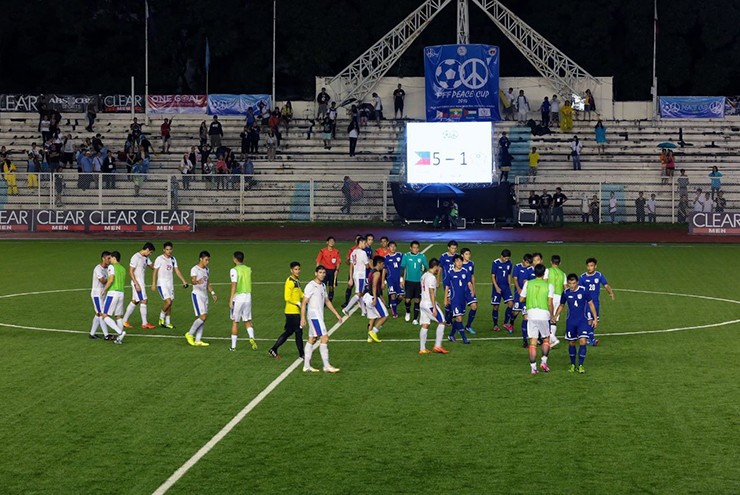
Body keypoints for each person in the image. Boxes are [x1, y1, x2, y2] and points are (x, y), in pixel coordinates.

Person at [301, 265, 343, 373]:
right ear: (316, 273)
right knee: (325, 338)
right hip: (314, 316)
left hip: (319, 316)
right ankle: (326, 365)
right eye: (320, 272)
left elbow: (327, 301)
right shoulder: (311, 286)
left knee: (312, 339)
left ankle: (306, 366)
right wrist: (302, 318)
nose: (322, 274)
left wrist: (336, 314)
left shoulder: (323, 285)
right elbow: (304, 302)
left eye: (324, 273)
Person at [553, 274, 598, 374]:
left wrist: (595, 319)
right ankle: (573, 364)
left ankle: (581, 365)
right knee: (572, 342)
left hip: (583, 321)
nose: (572, 285)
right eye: (569, 283)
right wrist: (556, 315)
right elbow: (561, 305)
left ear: (577, 282)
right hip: (571, 322)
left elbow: (591, 303)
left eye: (573, 283)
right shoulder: (565, 292)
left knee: (582, 341)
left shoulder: (584, 290)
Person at [520, 264, 554, 374]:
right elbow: (549, 303)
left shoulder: (528, 284)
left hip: (531, 314)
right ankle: (543, 361)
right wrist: (552, 315)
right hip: (543, 315)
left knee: (533, 342)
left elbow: (521, 299)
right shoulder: (549, 286)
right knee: (545, 339)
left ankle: (533, 368)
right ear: (544, 273)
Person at [269, 262, 305, 359]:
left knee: (289, 332)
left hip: (295, 311)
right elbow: (287, 297)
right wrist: (297, 303)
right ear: (291, 270)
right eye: (296, 269)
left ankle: (273, 349)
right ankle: (302, 354)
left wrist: (306, 297)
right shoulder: (290, 281)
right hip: (292, 312)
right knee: (298, 332)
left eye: (299, 269)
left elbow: (299, 293)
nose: (298, 271)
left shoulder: (296, 280)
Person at [151, 242, 189, 329]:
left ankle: (168, 322)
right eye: (167, 249)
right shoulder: (159, 259)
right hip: (162, 283)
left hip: (170, 284)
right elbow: (155, 271)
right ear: (164, 250)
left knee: (170, 303)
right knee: (168, 302)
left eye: (170, 249)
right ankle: (161, 318)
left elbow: (177, 271)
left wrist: (184, 281)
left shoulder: (173, 259)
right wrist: (153, 283)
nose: (169, 251)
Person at [579, 257, 615, 346]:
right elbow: (579, 289)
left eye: (591, 266)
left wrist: (611, 293)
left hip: (596, 303)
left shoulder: (599, 275)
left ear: (595, 266)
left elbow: (606, 285)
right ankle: (591, 339)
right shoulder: (582, 277)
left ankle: (588, 337)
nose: (589, 268)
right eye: (588, 266)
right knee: (589, 320)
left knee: (595, 321)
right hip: (586, 303)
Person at [186, 251, 217, 347]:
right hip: (197, 295)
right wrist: (196, 282)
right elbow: (193, 281)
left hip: (205, 296)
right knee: (203, 316)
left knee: (203, 318)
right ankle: (190, 334)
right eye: (206, 260)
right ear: (201, 259)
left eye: (208, 260)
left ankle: (198, 340)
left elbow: (208, 283)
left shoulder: (207, 270)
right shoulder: (194, 269)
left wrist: (212, 293)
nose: (207, 262)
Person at [122, 242, 156, 330]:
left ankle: (124, 321)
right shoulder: (135, 257)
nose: (150, 254)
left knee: (135, 301)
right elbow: (131, 271)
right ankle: (144, 323)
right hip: (137, 283)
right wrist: (136, 283)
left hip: (141, 283)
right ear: (147, 249)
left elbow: (153, 267)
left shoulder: (145, 258)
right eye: (150, 252)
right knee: (144, 300)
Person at [418, 259, 448, 354]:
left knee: (425, 324)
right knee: (442, 321)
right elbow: (431, 291)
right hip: (429, 304)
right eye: (438, 267)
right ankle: (438, 346)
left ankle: (422, 348)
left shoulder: (424, 276)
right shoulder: (431, 277)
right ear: (435, 267)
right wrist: (434, 306)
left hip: (423, 303)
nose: (438, 269)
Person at [228, 251, 257, 351]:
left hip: (239, 297)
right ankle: (252, 337)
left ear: (235, 259)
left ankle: (233, 346)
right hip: (248, 296)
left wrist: (231, 298)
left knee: (235, 321)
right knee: (247, 320)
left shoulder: (234, 270)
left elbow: (234, 285)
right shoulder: (248, 269)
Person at [100, 251, 128, 344]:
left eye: (110, 258)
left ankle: (120, 332)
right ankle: (120, 338)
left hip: (113, 293)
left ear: (114, 258)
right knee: (118, 316)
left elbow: (111, 279)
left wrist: (104, 290)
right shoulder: (123, 269)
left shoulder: (111, 267)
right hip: (121, 293)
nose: (109, 260)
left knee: (104, 315)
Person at [401, 240, 428, 325]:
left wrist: (424, 275)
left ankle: (415, 318)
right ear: (410, 248)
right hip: (409, 281)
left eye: (417, 248)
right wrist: (401, 280)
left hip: (418, 282)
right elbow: (402, 268)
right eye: (414, 248)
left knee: (417, 300)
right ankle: (408, 311)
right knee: (408, 299)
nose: (415, 249)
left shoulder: (422, 256)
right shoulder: (406, 256)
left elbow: (427, 268)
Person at [445, 255, 470, 344]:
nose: (459, 263)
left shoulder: (465, 272)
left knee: (458, 318)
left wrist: (471, 293)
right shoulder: (450, 272)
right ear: (454, 263)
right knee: (459, 318)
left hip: (463, 299)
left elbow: (469, 283)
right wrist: (446, 298)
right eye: (457, 261)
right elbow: (447, 286)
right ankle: (464, 338)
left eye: (460, 261)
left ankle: (451, 335)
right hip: (454, 299)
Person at [363, 256, 388, 344]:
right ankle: (373, 332)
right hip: (372, 297)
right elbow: (374, 286)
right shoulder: (377, 273)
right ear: (379, 263)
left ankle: (369, 338)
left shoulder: (371, 271)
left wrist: (381, 298)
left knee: (372, 318)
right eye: (382, 264)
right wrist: (375, 298)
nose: (383, 266)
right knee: (385, 315)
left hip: (367, 296)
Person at [343, 236, 370, 316]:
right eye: (364, 243)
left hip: (355, 274)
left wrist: (351, 278)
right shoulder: (363, 253)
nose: (365, 245)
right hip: (361, 275)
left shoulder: (353, 252)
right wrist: (369, 261)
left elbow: (351, 265)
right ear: (360, 242)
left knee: (360, 293)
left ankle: (364, 311)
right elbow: (367, 266)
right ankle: (346, 309)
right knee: (359, 293)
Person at [544, 255, 567, 346]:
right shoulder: (563, 274)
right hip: (559, 296)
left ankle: (552, 338)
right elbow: (565, 288)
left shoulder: (547, 270)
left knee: (547, 317)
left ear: (551, 261)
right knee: (554, 318)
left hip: (550, 295)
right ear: (559, 263)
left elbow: (545, 282)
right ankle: (551, 339)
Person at [511, 253, 534, 342]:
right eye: (527, 263)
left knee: (525, 317)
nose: (528, 265)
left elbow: (531, 282)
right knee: (515, 312)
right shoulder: (517, 267)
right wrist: (518, 288)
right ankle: (511, 323)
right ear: (524, 261)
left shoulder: (531, 270)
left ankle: (525, 340)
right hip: (518, 294)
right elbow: (515, 279)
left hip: (527, 297)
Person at [89, 251, 111, 340]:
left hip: (103, 293)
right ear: (103, 258)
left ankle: (92, 334)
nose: (109, 260)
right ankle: (106, 335)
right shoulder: (98, 269)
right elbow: (102, 280)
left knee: (98, 314)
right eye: (108, 258)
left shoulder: (108, 268)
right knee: (102, 313)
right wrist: (111, 278)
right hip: (97, 294)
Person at [490, 249, 513, 333]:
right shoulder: (495, 263)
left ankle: (505, 323)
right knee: (496, 306)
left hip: (506, 287)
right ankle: (495, 325)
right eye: (505, 258)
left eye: (507, 258)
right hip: (497, 286)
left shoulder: (510, 263)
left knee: (511, 304)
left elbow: (509, 274)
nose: (506, 260)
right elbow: (493, 276)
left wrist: (510, 284)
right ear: (501, 256)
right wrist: (496, 287)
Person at [315, 236, 341, 302]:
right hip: (324, 271)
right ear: (327, 242)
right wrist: (317, 271)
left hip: (332, 271)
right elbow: (318, 261)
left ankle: (330, 301)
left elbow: (338, 262)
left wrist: (337, 270)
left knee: (331, 287)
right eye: (330, 241)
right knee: (322, 286)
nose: (331, 243)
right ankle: (322, 300)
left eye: (333, 241)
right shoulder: (322, 251)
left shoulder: (336, 252)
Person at [438, 240, 458, 323]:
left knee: (454, 299)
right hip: (447, 282)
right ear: (448, 247)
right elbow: (440, 268)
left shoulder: (457, 257)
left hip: (456, 282)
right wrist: (437, 279)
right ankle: (447, 319)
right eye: (452, 248)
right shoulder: (443, 257)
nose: (454, 250)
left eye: (455, 248)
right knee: (448, 299)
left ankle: (451, 316)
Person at [383, 241, 404, 318]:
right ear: (388, 248)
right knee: (393, 295)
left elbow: (404, 267)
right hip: (391, 279)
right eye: (391, 246)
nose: (393, 248)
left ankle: (393, 305)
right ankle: (394, 313)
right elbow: (384, 270)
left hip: (399, 280)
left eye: (394, 246)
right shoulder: (386, 258)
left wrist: (402, 279)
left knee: (401, 296)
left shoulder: (400, 255)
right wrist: (383, 281)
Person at [460, 248, 478, 335]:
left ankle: (468, 326)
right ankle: (459, 328)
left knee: (474, 306)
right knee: (461, 312)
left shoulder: (471, 263)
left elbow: (472, 276)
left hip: (469, 289)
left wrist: (473, 289)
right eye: (466, 254)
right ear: (462, 255)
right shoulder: (458, 264)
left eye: (469, 254)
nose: (468, 256)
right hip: (460, 290)